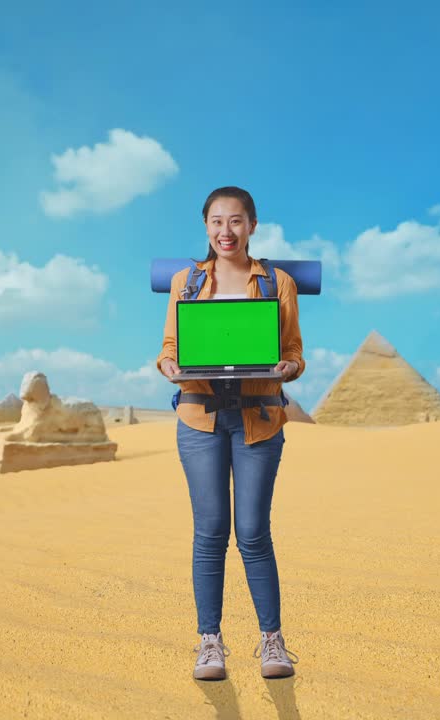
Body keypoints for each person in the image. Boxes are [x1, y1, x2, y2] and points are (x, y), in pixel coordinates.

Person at [157, 186, 306, 681]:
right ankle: (210, 642)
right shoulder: (186, 280)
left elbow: (295, 351)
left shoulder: (277, 282)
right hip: (199, 418)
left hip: (259, 420)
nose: (227, 231)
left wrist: (289, 366)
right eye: (217, 221)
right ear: (205, 227)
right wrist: (169, 366)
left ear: (252, 225)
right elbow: (168, 347)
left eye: (236, 221)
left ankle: (271, 641)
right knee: (210, 533)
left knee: (252, 533)